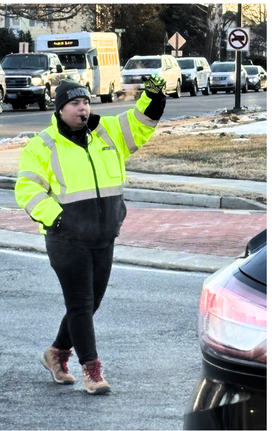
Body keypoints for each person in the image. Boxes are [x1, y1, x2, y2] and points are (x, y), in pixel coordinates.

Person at [15, 76, 166, 394]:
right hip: (66, 239)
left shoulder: (108, 132)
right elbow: (27, 190)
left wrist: (152, 95)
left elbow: (143, 121)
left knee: (90, 303)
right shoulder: (43, 145)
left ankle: (56, 353)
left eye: (85, 102)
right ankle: (92, 371)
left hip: (103, 235)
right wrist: (58, 220)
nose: (82, 108)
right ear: (60, 110)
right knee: (81, 304)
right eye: (74, 103)